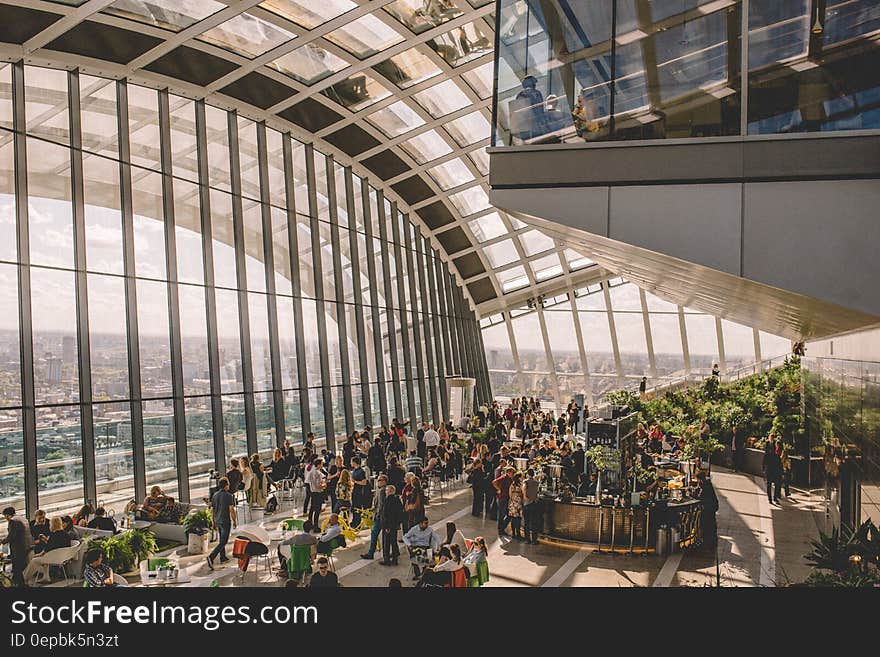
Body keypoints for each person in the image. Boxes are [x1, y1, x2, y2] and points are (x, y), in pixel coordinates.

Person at [24, 517, 72, 584]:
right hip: (63, 557)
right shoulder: (66, 534)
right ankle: (46, 577)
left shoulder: (53, 535)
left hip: (53, 558)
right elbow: (55, 545)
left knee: (34, 560)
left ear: (53, 525)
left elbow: (46, 549)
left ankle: (25, 579)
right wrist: (46, 540)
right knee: (43, 558)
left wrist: (38, 555)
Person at [206, 477, 237, 570]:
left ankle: (223, 557)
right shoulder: (229, 495)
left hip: (217, 520)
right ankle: (211, 557)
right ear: (226, 485)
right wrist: (234, 520)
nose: (229, 485)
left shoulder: (215, 495)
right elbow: (231, 509)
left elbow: (212, 510)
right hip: (225, 521)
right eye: (228, 484)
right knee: (224, 541)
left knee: (221, 540)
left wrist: (213, 522)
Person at [2, 507, 33, 587]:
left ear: (7, 515)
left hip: (17, 548)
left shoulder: (13, 521)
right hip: (25, 546)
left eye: (5, 516)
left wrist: (2, 541)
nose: (5, 518)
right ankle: (20, 583)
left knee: (17, 567)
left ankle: (20, 584)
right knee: (21, 566)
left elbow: (12, 536)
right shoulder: (22, 519)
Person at [360, 474, 387, 560]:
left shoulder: (382, 491)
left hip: (379, 517)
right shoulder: (379, 490)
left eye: (379, 480)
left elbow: (381, 505)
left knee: (374, 534)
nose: (377, 482)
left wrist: (377, 515)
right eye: (377, 480)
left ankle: (371, 553)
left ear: (384, 482)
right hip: (379, 516)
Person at [380, 485, 403, 566]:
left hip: (388, 526)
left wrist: (386, 526)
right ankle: (395, 559)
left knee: (386, 543)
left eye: (386, 490)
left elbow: (386, 514)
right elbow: (400, 513)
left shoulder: (388, 501)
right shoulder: (397, 500)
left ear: (389, 491)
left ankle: (387, 560)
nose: (385, 492)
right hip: (395, 525)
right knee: (393, 542)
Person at [696, 472, 719, 548]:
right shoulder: (707, 484)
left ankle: (707, 542)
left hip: (709, 508)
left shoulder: (705, 487)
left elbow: (701, 498)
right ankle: (711, 541)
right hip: (712, 507)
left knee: (706, 524)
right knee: (711, 524)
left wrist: (695, 495)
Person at [306, 457, 327, 531]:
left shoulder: (311, 472)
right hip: (318, 493)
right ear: (318, 465)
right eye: (321, 464)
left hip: (312, 491)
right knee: (317, 510)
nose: (322, 465)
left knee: (312, 508)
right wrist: (325, 484)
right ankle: (316, 526)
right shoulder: (318, 473)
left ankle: (310, 523)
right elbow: (319, 485)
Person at [493, 466, 514, 536]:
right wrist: (499, 489)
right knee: (502, 514)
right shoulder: (504, 478)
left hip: (505, 498)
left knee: (505, 514)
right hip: (502, 498)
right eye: (512, 473)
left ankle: (502, 528)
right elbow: (494, 482)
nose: (513, 474)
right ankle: (501, 529)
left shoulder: (510, 479)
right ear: (508, 472)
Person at [522, 468, 541, 544]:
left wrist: (524, 496)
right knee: (534, 522)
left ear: (528, 474)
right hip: (534, 503)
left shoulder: (525, 481)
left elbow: (523, 488)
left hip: (527, 503)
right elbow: (538, 492)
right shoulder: (537, 482)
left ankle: (527, 539)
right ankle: (534, 540)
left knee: (526, 522)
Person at [762, 439, 782, 504]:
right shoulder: (775, 455)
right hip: (774, 471)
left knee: (770, 485)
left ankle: (771, 498)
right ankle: (773, 498)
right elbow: (779, 464)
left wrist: (764, 470)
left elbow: (764, 462)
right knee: (774, 484)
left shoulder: (769, 454)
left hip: (771, 471)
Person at [507, 471, 525, 540]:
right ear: (519, 478)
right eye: (522, 477)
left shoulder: (512, 485)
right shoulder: (521, 485)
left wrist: (511, 502)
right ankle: (518, 534)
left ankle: (513, 533)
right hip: (519, 504)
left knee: (513, 519)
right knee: (518, 519)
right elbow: (523, 494)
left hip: (513, 503)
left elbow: (510, 494)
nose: (522, 478)